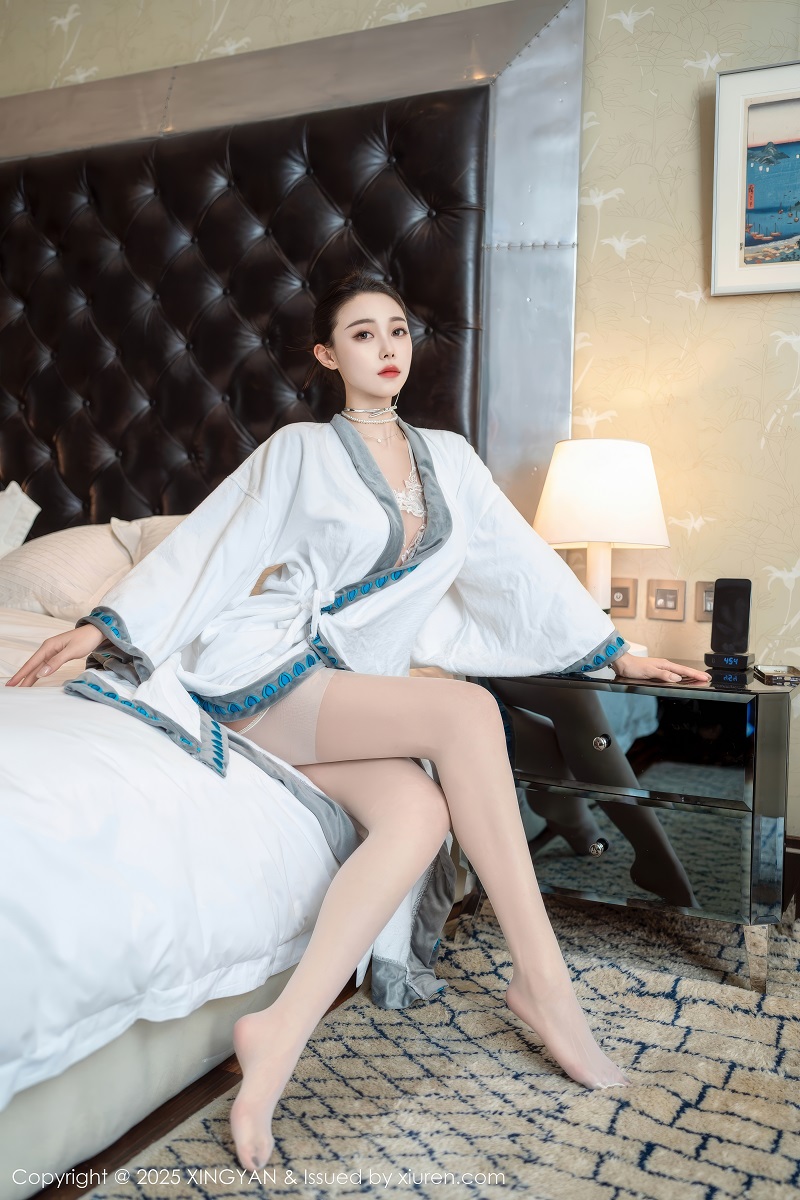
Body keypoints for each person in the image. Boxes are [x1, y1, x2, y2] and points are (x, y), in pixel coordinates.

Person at [6, 267, 710, 1172]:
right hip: (260, 666)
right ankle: (545, 983)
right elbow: (216, 543)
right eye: (363, 334)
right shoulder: (299, 450)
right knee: (464, 711)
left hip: (340, 691)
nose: (387, 348)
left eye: (398, 331)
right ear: (327, 354)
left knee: (419, 813)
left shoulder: (450, 460)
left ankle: (277, 1034)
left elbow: (519, 565)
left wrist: (614, 651)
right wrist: (103, 626)